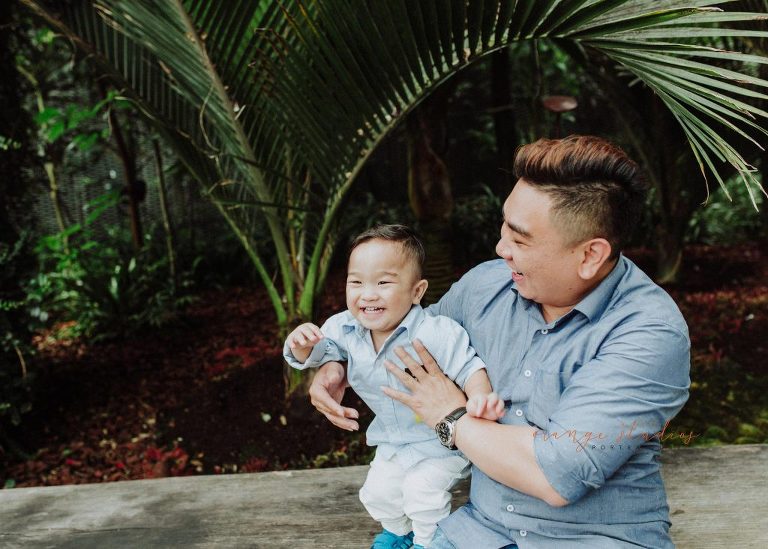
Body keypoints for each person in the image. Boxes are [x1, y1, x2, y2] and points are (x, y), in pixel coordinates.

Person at [309, 136, 691, 548]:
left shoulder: (648, 332)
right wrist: (337, 362)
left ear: (590, 255)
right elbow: (406, 340)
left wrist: (451, 416)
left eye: (521, 239)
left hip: (595, 538)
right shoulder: (487, 284)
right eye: (505, 226)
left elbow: (557, 475)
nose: (501, 248)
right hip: (480, 531)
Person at [283, 224, 506, 549]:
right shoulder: (344, 327)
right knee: (378, 493)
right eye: (356, 282)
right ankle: (400, 533)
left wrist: (481, 399)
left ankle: (428, 543)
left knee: (422, 493)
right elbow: (322, 353)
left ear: (417, 292)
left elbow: (469, 366)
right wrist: (302, 343)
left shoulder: (435, 333)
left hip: (442, 441)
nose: (367, 293)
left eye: (383, 282)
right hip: (393, 439)